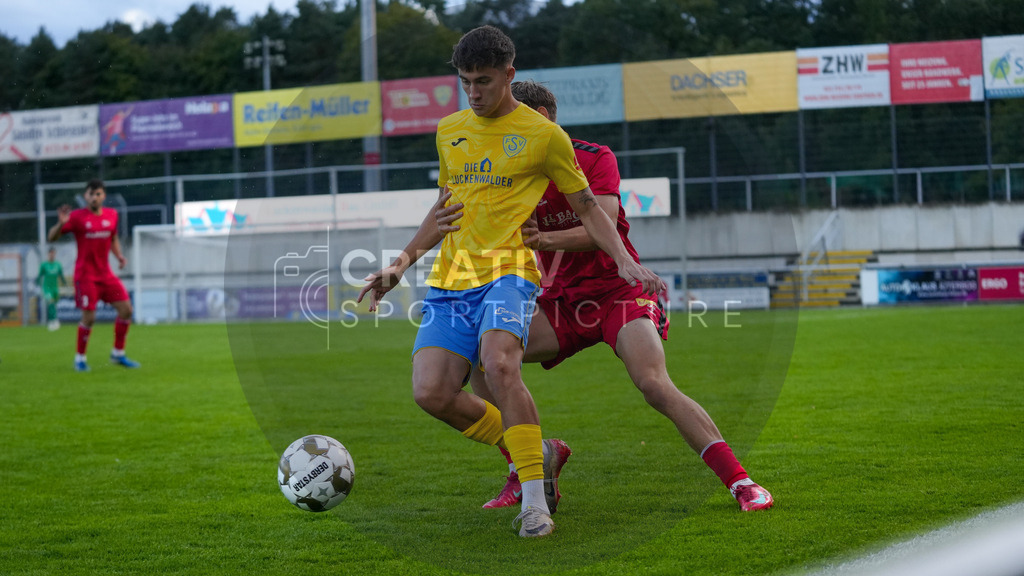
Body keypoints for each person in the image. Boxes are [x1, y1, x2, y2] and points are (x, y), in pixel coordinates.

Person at [358, 25, 665, 538]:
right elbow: (444, 211)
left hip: (510, 273)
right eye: (465, 82)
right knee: (431, 393)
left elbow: (589, 208)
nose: (473, 93)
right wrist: (401, 264)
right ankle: (536, 450)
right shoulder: (449, 131)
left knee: (500, 364)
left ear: (508, 74)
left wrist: (624, 261)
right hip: (452, 278)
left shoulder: (544, 136)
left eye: (483, 81)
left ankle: (535, 504)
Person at [435, 80, 774, 513]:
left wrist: (544, 239)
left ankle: (741, 481)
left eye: (514, 115)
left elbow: (604, 222)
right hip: (560, 302)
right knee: (486, 361)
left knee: (653, 384)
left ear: (542, 117)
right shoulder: (511, 171)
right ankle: (531, 463)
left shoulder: (594, 157)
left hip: (619, 292)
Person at [47, 179, 140, 371]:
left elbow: (113, 238)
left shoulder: (112, 215)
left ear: (103, 196)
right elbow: (51, 237)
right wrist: (60, 224)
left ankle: (118, 354)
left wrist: (119, 256)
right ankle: (80, 359)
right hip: (86, 276)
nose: (94, 197)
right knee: (89, 317)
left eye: (98, 194)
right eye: (91, 194)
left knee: (126, 310)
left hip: (106, 275)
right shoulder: (76, 217)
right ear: (85, 196)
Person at [36, 246, 67, 331]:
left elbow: (61, 275)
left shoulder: (58, 265)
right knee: (51, 303)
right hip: (47, 288)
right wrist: (37, 285)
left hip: (55, 288)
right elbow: (39, 276)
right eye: (51, 253)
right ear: (48, 254)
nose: (52, 255)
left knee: (54, 305)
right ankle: (52, 321)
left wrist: (65, 284)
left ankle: (54, 321)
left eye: (53, 254)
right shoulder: (44, 265)